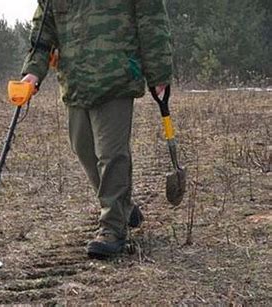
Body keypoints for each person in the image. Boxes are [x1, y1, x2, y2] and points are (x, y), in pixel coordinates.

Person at [21, 0, 173, 259]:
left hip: (116, 76)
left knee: (111, 154)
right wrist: (32, 73)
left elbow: (151, 21)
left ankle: (113, 228)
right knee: (83, 148)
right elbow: (44, 31)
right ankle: (123, 207)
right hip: (76, 81)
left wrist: (158, 71)